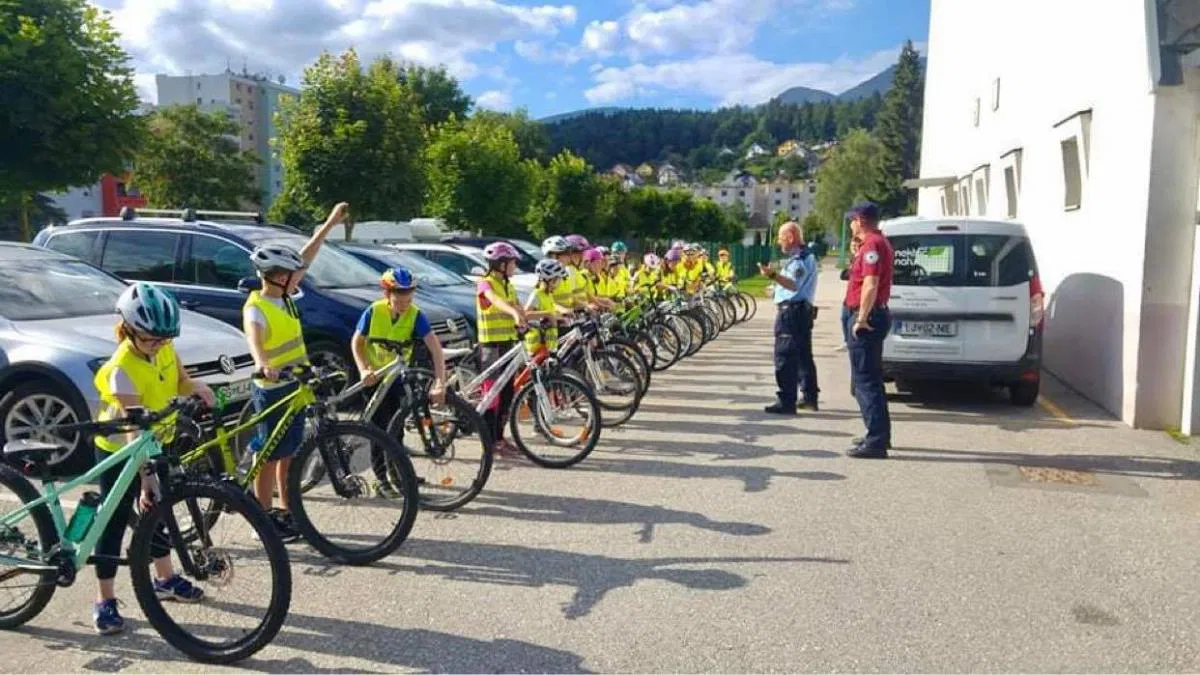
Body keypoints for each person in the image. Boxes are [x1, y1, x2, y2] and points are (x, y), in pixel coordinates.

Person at [91, 282, 214, 634]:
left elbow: (181, 381)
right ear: (128, 329)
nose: (158, 344)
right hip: (120, 450)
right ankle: (104, 600)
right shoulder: (121, 369)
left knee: (159, 513)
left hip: (159, 442)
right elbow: (134, 430)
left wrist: (200, 389)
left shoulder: (164, 347)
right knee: (112, 523)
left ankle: (165, 579)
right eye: (150, 339)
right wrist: (146, 479)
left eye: (163, 338)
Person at [243, 201, 349, 541]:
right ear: (277, 277)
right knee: (269, 454)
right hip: (271, 387)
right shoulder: (257, 306)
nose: (297, 276)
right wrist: (263, 363)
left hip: (295, 384)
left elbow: (307, 255)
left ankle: (289, 512)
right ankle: (264, 514)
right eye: (290, 274)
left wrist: (330, 223)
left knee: (289, 454)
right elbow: (255, 338)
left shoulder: (285, 296)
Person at [350, 266, 447, 426]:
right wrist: (363, 369)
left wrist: (440, 382)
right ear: (387, 295)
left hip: (397, 378)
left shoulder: (415, 315)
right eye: (399, 302)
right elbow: (357, 342)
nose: (404, 306)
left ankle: (395, 449)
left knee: (396, 426)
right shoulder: (374, 311)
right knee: (377, 425)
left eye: (409, 301)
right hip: (374, 376)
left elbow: (435, 348)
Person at [842, 201, 894, 458]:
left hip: (868, 316)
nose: (850, 224)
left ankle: (876, 440)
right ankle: (876, 434)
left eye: (851, 220)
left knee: (866, 381)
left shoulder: (872, 244)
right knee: (868, 379)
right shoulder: (872, 244)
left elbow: (871, 283)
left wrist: (861, 318)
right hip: (872, 313)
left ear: (859, 220)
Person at [758, 221, 819, 414]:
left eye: (781, 237)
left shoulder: (800, 259)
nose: (778, 241)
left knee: (784, 355)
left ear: (791, 237)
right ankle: (809, 396)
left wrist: (772, 275)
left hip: (792, 313)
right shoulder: (799, 258)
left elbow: (793, 285)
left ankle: (786, 400)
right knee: (802, 355)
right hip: (799, 311)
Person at [476, 241, 527, 456]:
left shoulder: (509, 285)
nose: (515, 266)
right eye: (513, 262)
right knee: (492, 396)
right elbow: (494, 301)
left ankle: (499, 437)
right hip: (491, 346)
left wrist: (542, 317)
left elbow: (519, 310)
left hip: (507, 343)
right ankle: (488, 440)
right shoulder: (485, 283)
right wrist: (514, 313)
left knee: (507, 394)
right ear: (501, 264)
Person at [524, 258, 573, 358]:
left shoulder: (548, 294)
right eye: (557, 279)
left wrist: (563, 312)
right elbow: (526, 314)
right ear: (550, 280)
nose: (559, 283)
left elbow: (551, 306)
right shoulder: (537, 294)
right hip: (536, 344)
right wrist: (547, 314)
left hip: (548, 341)